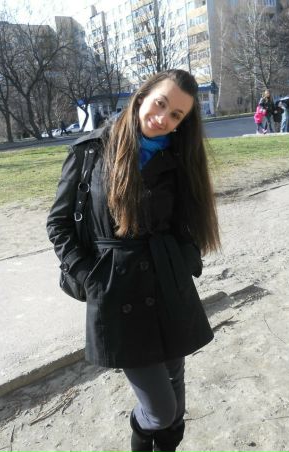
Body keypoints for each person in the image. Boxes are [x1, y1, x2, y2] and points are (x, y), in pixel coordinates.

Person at [46, 69, 220, 452]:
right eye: (160, 104)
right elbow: (58, 224)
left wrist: (185, 260)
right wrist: (90, 277)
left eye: (175, 115)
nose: (162, 118)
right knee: (160, 411)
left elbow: (187, 222)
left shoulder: (179, 158)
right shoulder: (91, 151)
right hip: (117, 293)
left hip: (168, 287)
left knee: (175, 409)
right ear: (142, 97)